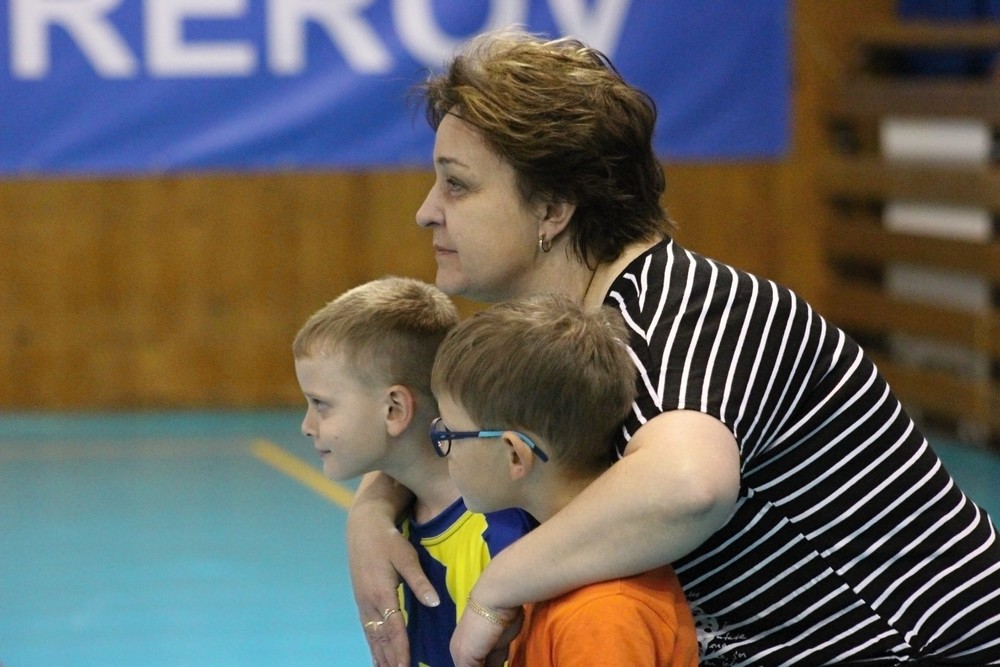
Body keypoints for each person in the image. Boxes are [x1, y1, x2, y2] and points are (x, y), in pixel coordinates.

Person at [346, 29, 1000, 667]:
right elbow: (480, 432)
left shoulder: (693, 310)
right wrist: (375, 506)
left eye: (457, 184)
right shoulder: (568, 334)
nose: (426, 211)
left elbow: (690, 484)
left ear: (553, 208)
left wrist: (499, 586)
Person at [430, 293, 700, 666]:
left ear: (514, 454)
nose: (442, 448)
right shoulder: (548, 570)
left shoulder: (600, 617)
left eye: (450, 434)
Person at [292, 276, 535, 666]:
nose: (307, 425)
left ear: (394, 410)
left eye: (321, 405)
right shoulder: (400, 516)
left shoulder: (497, 532)